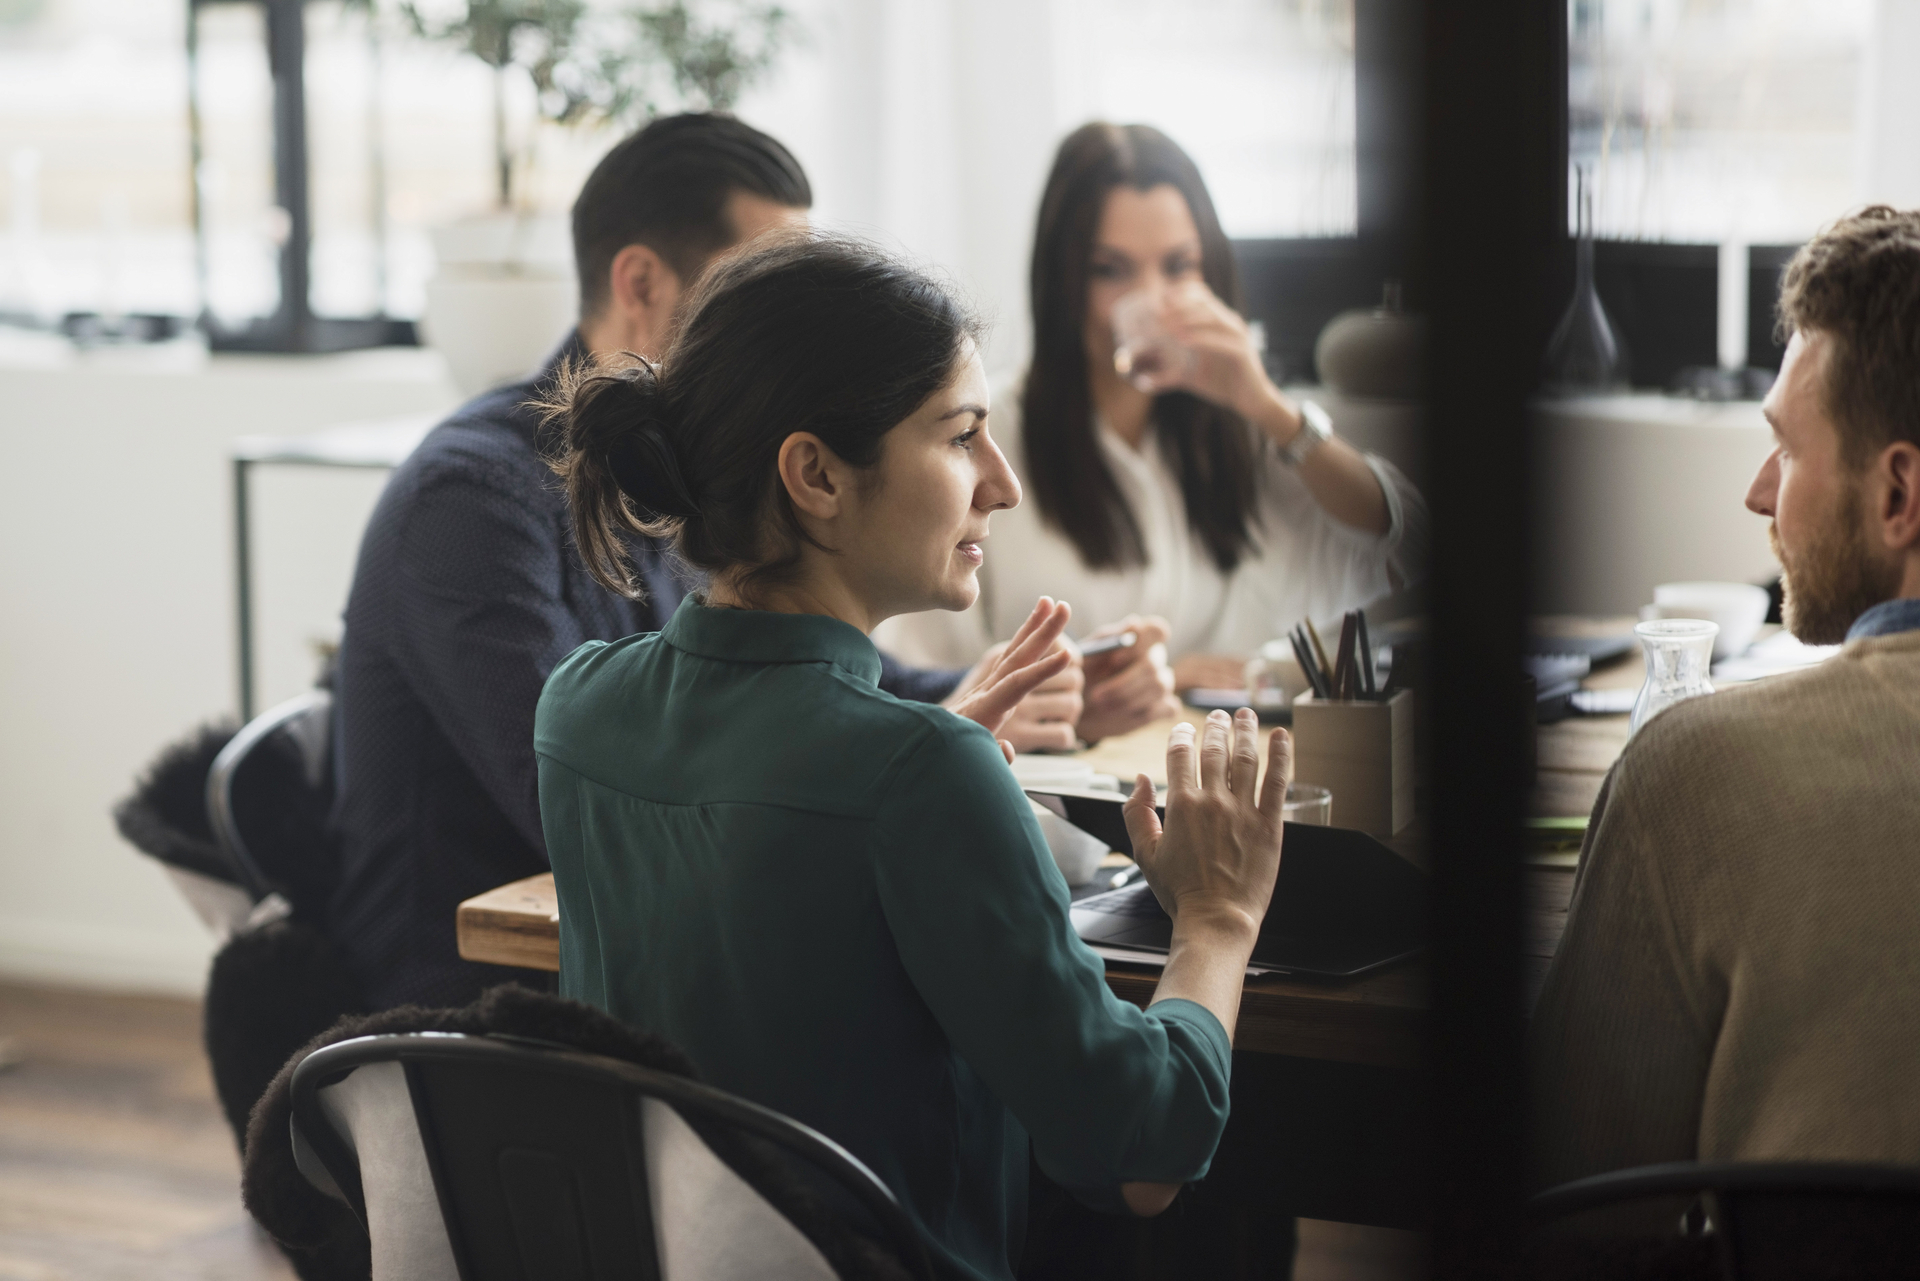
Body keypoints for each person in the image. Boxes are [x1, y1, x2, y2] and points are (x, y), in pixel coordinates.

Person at [535, 233, 1294, 1281]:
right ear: (815, 476)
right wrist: (1219, 919)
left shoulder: (577, 709)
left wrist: (930, 760)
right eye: (962, 436)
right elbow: (1141, 1157)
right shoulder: (917, 778)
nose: (1003, 483)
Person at [326, 114, 1114, 1009]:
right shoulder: (466, 501)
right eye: (762, 279)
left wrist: (1007, 690)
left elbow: (783, 681)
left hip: (649, 976)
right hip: (489, 1013)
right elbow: (584, 803)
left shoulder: (703, 466)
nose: (803, 323)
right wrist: (934, 765)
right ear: (640, 282)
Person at [1530, 206, 1920, 1187]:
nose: (1759, 494)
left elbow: (1574, 1182)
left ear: (1899, 496)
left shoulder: (1697, 775)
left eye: (1787, 450)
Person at [875, 122, 1427, 692]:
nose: (1151, 301)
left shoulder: (1246, 433)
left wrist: (1266, 405)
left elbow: (1407, 542)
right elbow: (924, 679)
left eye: (1178, 267)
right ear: (1062, 280)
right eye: (1110, 270)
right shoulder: (991, 439)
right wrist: (1131, 684)